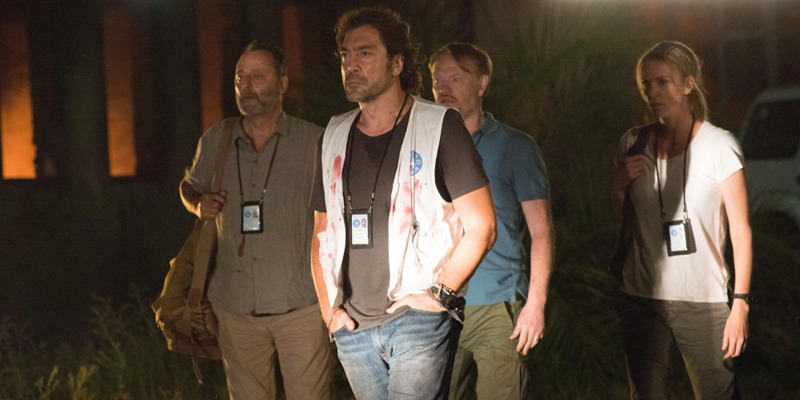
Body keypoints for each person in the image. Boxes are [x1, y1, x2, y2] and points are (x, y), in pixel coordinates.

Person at [309, 7, 498, 400]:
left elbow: (483, 227)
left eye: (364, 53)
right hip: (353, 327)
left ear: (397, 63)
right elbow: (321, 233)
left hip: (418, 319)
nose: (351, 64)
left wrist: (439, 294)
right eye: (345, 55)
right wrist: (330, 313)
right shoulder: (333, 134)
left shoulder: (439, 125)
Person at [180, 40, 330, 400]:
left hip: (301, 307)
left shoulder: (314, 141)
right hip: (235, 308)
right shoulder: (216, 139)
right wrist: (197, 203)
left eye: (257, 77)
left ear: (282, 84)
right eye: (240, 77)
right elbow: (188, 185)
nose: (245, 85)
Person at [609, 41, 751, 400]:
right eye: (647, 84)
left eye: (662, 82)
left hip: (703, 300)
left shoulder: (719, 145)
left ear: (688, 84)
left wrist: (740, 302)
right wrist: (617, 186)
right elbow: (628, 223)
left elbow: (741, 230)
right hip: (642, 296)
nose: (652, 92)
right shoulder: (633, 143)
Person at [429, 43, 555, 400]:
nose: (444, 88)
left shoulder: (515, 146)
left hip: (497, 306)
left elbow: (542, 232)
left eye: (456, 79)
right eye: (437, 79)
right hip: (437, 304)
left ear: (482, 85)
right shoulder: (423, 145)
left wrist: (535, 305)